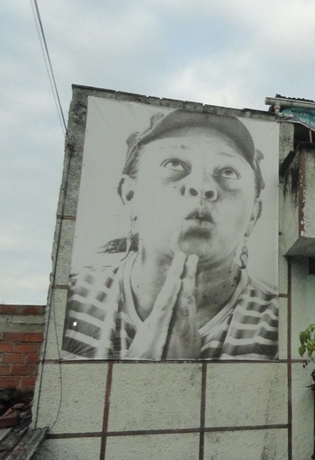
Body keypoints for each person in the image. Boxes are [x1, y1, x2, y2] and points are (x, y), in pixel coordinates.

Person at [63, 110, 278, 360]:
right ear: (130, 193)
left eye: (228, 172)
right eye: (174, 164)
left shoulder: (279, 323)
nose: (202, 187)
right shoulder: (72, 299)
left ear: (253, 214)